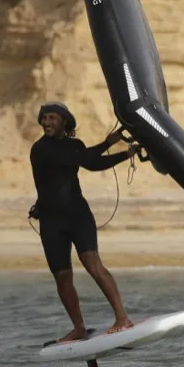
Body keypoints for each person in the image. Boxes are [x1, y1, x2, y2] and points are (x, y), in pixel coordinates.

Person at [29, 101, 137, 342]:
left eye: (52, 118)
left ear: (64, 121)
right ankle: (79, 328)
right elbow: (75, 159)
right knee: (62, 276)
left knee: (93, 264)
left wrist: (124, 154)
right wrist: (109, 143)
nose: (46, 122)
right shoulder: (40, 149)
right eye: (44, 118)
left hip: (78, 215)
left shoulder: (75, 146)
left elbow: (91, 162)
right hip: (51, 221)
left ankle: (122, 318)